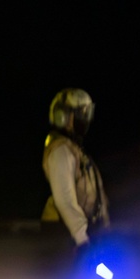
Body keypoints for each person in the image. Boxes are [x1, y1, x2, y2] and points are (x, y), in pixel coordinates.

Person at [40, 88, 110, 252]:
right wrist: (82, 240)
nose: (86, 119)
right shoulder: (60, 150)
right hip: (64, 234)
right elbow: (65, 200)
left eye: (87, 113)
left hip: (76, 232)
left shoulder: (74, 148)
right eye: (82, 113)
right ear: (66, 117)